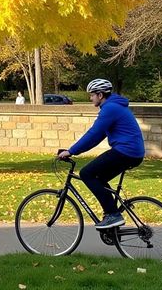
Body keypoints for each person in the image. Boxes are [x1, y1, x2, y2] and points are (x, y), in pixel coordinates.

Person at [57, 79, 145, 230]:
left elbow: (94, 134)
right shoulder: (114, 106)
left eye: (92, 95)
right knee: (99, 178)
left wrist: (71, 151)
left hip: (126, 152)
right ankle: (112, 214)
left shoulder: (110, 108)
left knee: (87, 173)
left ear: (100, 94)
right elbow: (97, 136)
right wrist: (74, 150)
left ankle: (113, 215)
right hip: (131, 152)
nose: (90, 98)